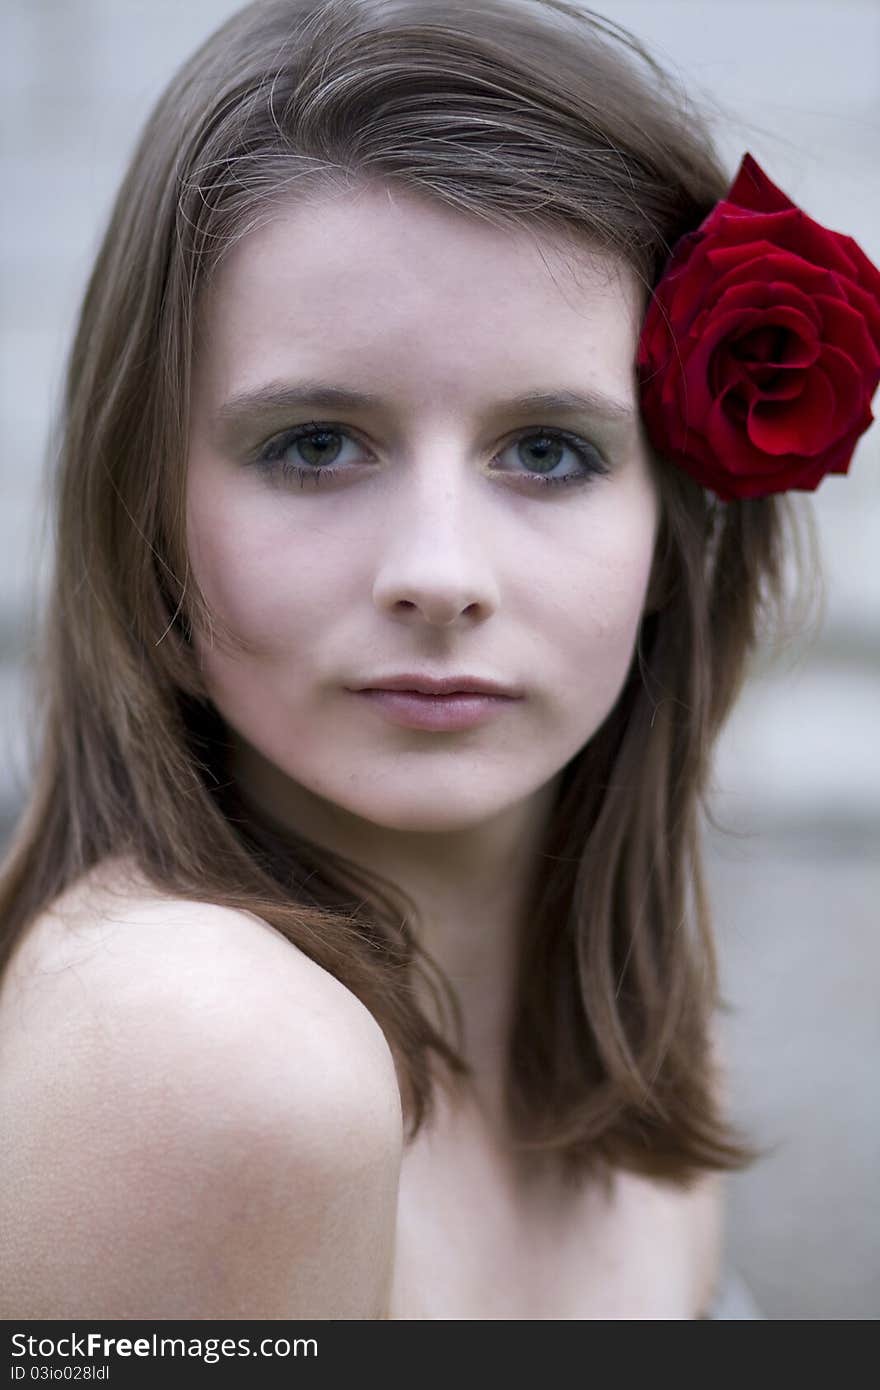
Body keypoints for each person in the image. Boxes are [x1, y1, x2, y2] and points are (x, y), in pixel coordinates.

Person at [0, 0, 877, 1321]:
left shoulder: (629, 1046)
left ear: (674, 540)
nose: (441, 573)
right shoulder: (206, 1054)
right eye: (314, 444)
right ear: (150, 521)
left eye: (547, 451)